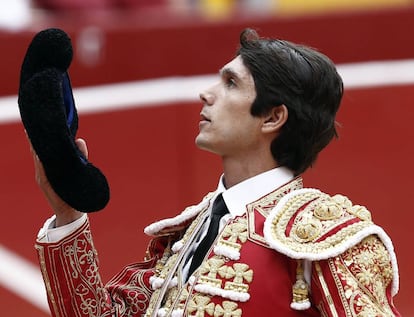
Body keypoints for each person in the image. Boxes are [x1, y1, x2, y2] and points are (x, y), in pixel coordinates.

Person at [31, 28, 400, 316]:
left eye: (231, 83)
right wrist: (68, 214)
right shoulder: (190, 233)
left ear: (273, 117)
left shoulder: (327, 238)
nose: (206, 94)